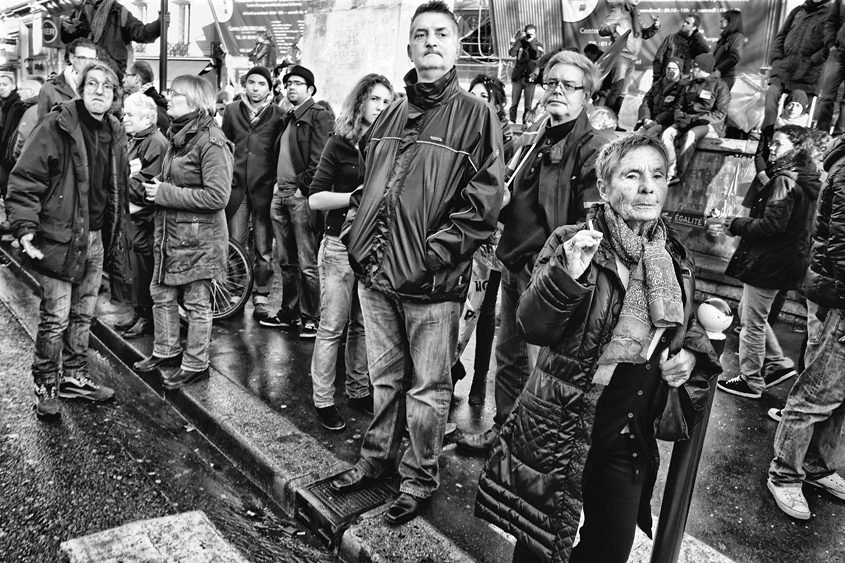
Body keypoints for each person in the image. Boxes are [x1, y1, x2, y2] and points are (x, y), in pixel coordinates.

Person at [476, 134, 721, 563]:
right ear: (605, 189)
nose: (648, 187)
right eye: (633, 174)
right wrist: (568, 272)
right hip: (564, 423)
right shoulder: (573, 240)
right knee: (540, 543)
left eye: (658, 175)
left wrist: (691, 354)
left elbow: (683, 321)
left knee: (611, 546)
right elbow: (532, 324)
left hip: (629, 427)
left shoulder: (674, 254)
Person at [329, 0, 504, 526]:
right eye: (421, 33)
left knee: (427, 391)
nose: (430, 41)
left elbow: (484, 204)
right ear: (409, 47)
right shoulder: (391, 111)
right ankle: (376, 459)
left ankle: (418, 477)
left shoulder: (476, 115)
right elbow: (371, 189)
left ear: (456, 47)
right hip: (376, 275)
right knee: (384, 379)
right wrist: (356, 237)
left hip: (431, 283)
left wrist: (431, 257)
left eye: (441, 34)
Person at [456, 50, 608, 455]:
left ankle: (523, 445)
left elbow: (591, 221)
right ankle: (505, 430)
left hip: (544, 273)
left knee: (537, 366)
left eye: (569, 85)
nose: (557, 90)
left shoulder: (591, 147)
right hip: (513, 262)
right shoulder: (540, 134)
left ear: (586, 96)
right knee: (509, 358)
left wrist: (558, 271)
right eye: (551, 82)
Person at [6, 62, 131, 419]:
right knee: (55, 317)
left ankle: (74, 376)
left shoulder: (115, 130)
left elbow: (115, 187)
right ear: (79, 87)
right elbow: (25, 180)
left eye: (107, 86)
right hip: (59, 236)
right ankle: (46, 382)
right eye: (92, 83)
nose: (99, 91)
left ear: (114, 95)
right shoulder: (58, 124)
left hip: (95, 239)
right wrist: (25, 229)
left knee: (83, 314)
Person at [132, 75, 233, 389]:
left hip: (198, 240)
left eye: (174, 93)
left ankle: (196, 364)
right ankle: (166, 351)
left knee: (196, 302)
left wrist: (164, 193)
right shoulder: (177, 134)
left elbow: (218, 196)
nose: (168, 96)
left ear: (194, 100)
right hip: (170, 234)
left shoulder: (211, 140)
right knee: (161, 294)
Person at [307, 73, 394, 431]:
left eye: (387, 101)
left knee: (361, 326)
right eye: (375, 99)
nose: (381, 107)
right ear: (360, 102)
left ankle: (358, 390)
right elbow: (315, 198)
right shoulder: (340, 144)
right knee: (332, 326)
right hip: (339, 247)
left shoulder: (393, 144)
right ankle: (323, 399)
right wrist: (355, 197)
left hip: (375, 248)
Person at [766, 131, 845, 520]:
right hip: (841, 295)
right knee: (817, 392)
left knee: (838, 396)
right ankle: (785, 474)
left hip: (834, 289)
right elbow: (841, 242)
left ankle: (816, 467)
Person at [717, 125, 821, 400]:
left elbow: (772, 226)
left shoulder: (784, 181)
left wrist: (736, 224)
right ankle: (777, 363)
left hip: (769, 262)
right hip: (789, 260)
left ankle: (751, 381)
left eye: (778, 143)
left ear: (796, 147)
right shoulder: (807, 178)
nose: (771, 147)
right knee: (756, 316)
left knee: (751, 322)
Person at [450, 74, 514, 405]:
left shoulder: (506, 140)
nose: (477, 100)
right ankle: (451, 366)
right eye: (472, 94)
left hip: (490, 236)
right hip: (458, 229)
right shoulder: (460, 130)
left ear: (496, 102)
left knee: (484, 309)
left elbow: (507, 188)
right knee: (455, 306)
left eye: (483, 95)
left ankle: (478, 381)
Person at [260, 65, 333, 338]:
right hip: (281, 196)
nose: (291, 87)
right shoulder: (288, 118)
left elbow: (321, 160)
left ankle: (311, 317)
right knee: (286, 262)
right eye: (288, 83)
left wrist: (303, 189)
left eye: (298, 83)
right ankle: (289, 313)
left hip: (299, 197)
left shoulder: (318, 115)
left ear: (311, 89)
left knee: (307, 262)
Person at [220, 66, 285, 321]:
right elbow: (225, 146)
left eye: (261, 84)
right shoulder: (232, 110)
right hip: (236, 187)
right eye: (251, 83)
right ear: (245, 85)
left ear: (269, 88)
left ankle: (261, 295)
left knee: (263, 247)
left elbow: (279, 152)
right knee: (234, 241)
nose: (255, 88)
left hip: (263, 188)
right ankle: (235, 292)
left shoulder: (279, 115)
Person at [115, 93, 167, 339]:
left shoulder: (154, 142)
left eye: (129, 114)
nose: (124, 118)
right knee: (136, 268)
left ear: (147, 118)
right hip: (135, 215)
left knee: (144, 269)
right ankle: (139, 312)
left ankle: (146, 316)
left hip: (146, 217)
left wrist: (118, 185)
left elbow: (147, 183)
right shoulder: (138, 138)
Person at [762, 0, 831, 136]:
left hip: (808, 73)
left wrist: (812, 61)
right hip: (783, 68)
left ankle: (794, 145)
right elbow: (781, 35)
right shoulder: (798, 10)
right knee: (771, 99)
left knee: (798, 114)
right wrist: (777, 57)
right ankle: (765, 140)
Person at [661, 53, 730, 183]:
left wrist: (695, 120)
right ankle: (669, 171)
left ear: (703, 69)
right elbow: (678, 106)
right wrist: (680, 118)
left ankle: (678, 174)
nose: (691, 70)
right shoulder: (688, 84)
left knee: (691, 135)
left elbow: (719, 114)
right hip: (687, 120)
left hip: (709, 124)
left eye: (695, 68)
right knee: (667, 134)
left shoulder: (721, 86)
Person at [60, 0, 166, 79]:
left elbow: (142, 33)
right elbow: (68, 39)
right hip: (84, 72)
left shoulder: (120, 12)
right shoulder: (79, 12)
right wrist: (66, 29)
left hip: (110, 73)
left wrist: (159, 24)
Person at [599, 0, 660, 118]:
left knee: (623, 93)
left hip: (632, 59)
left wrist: (655, 27)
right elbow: (602, 30)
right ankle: (605, 120)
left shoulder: (636, 14)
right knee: (616, 90)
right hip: (621, 56)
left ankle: (614, 121)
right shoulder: (618, 12)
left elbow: (645, 34)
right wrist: (614, 28)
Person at [37, 38, 98, 119]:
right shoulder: (50, 88)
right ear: (71, 58)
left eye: (92, 59)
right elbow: (43, 125)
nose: (87, 63)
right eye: (82, 58)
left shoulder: (103, 86)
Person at [651, 13, 710, 82]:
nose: (684, 24)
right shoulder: (671, 38)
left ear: (694, 27)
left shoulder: (695, 43)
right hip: (666, 78)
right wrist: (657, 77)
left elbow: (706, 50)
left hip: (684, 81)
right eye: (684, 21)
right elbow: (658, 58)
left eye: (688, 23)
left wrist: (696, 34)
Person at [636, 57, 684, 136]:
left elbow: (675, 108)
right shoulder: (657, 84)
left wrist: (657, 121)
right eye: (668, 68)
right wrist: (646, 118)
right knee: (639, 133)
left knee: (651, 132)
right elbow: (646, 102)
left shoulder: (682, 87)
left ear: (680, 71)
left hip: (667, 123)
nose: (670, 71)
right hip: (651, 121)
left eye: (674, 69)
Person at [817, 1, 845, 134]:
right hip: (838, 52)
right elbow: (830, 21)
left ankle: (840, 138)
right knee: (826, 97)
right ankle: (821, 135)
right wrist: (831, 45)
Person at [508, 24, 544, 124]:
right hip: (518, 77)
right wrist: (519, 41)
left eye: (531, 34)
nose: (529, 36)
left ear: (535, 34)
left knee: (528, 105)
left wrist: (531, 42)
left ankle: (526, 123)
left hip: (530, 79)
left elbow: (536, 55)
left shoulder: (538, 45)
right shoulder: (520, 43)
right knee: (514, 103)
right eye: (528, 34)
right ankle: (512, 121)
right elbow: (512, 53)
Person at [122, 60, 169, 133]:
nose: (123, 79)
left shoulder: (153, 108)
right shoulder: (155, 102)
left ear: (137, 78)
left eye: (126, 75)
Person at [713, 9, 745, 91]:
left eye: (724, 18)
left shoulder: (737, 37)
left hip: (725, 77)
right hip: (717, 76)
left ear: (731, 21)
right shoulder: (725, 37)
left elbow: (734, 58)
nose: (721, 20)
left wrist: (719, 69)